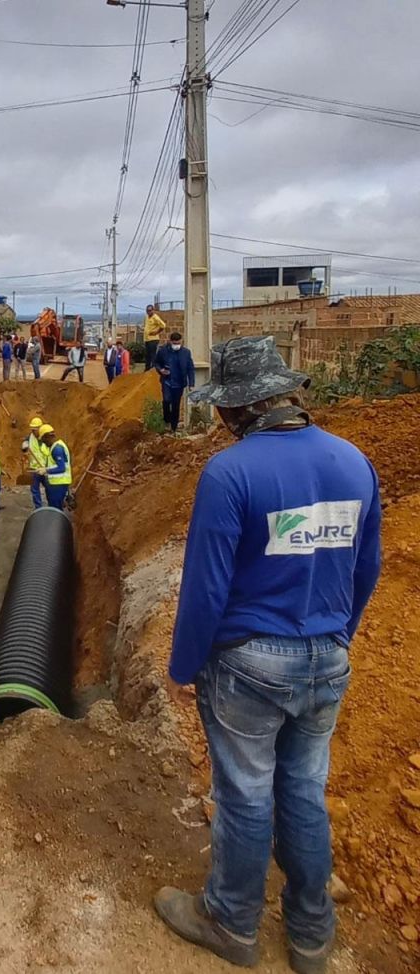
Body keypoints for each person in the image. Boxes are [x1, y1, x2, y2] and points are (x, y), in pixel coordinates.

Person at [155, 336, 382, 974]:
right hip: (327, 658)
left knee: (248, 794)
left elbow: (205, 588)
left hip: (250, 666)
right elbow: (367, 569)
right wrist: (338, 637)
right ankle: (312, 935)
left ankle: (231, 922)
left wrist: (183, 666)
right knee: (305, 790)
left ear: (235, 409)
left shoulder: (231, 474)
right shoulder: (354, 463)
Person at [154, 331, 196, 433]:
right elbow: (156, 362)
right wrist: (161, 370)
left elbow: (190, 368)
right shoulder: (163, 351)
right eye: (175, 343)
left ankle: (173, 427)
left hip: (179, 383)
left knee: (176, 405)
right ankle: (167, 420)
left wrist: (191, 383)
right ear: (170, 342)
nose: (177, 345)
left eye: (178, 343)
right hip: (167, 381)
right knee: (166, 400)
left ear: (181, 342)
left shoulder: (186, 353)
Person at [38, 424, 72, 510]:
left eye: (43, 440)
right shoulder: (55, 447)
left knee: (55, 509)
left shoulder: (57, 449)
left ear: (47, 437)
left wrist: (46, 470)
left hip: (58, 485)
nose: (44, 443)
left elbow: (61, 468)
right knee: (55, 509)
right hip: (57, 484)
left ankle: (56, 523)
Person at [23, 416, 49, 509]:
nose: (34, 432)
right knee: (35, 490)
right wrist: (25, 448)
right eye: (33, 430)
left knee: (49, 488)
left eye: (36, 429)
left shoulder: (46, 438)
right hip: (34, 469)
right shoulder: (29, 438)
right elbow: (24, 447)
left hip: (45, 468)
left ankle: (51, 506)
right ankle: (38, 507)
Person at [144, 304, 167, 373]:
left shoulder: (155, 317)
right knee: (147, 355)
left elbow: (163, 325)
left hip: (153, 339)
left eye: (150, 310)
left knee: (152, 355)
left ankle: (153, 369)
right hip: (147, 339)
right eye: (147, 311)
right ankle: (147, 368)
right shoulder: (147, 317)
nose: (149, 312)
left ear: (153, 310)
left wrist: (157, 332)